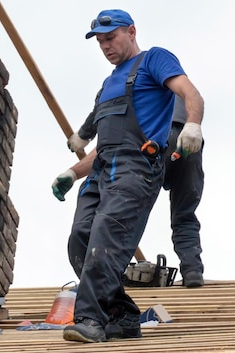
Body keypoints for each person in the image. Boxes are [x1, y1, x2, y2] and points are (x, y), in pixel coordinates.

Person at [51, 9, 204, 343]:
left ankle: (90, 319)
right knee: (81, 238)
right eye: (101, 42)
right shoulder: (107, 85)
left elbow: (191, 94)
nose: (106, 47)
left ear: (131, 32)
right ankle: (123, 315)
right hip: (102, 169)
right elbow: (101, 144)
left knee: (106, 237)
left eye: (111, 38)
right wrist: (72, 173)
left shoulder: (154, 61)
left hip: (136, 169)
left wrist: (192, 124)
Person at [62, 96, 205, 288]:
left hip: (150, 142)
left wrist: (73, 172)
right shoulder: (170, 86)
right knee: (184, 214)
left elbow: (111, 148)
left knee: (123, 211)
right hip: (186, 141)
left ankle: (103, 282)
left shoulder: (124, 88)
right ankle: (192, 271)